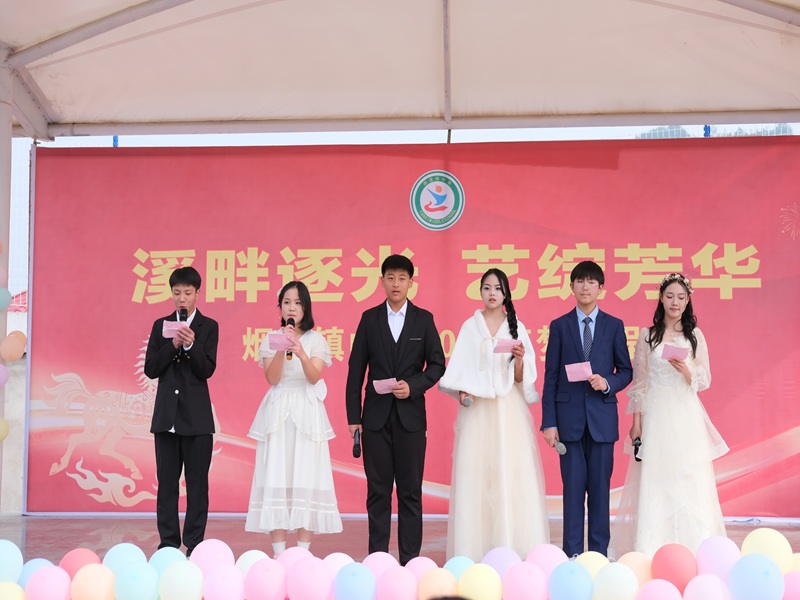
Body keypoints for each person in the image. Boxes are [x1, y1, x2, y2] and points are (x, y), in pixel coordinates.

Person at [609, 273, 727, 558]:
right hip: (656, 416)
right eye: (670, 296)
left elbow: (706, 378)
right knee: (657, 479)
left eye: (681, 297)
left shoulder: (695, 336)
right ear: (661, 298)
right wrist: (637, 424)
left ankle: (695, 547)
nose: (675, 302)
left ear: (688, 301)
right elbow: (640, 383)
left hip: (686, 417)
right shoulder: (647, 336)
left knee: (689, 478)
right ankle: (652, 548)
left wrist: (687, 372)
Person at [439, 268, 550, 561]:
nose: (492, 293)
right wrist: (463, 390)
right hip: (477, 412)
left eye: (498, 289)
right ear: (480, 291)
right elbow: (459, 371)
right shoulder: (469, 328)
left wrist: (520, 361)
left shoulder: (516, 328)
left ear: (506, 294)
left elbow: (520, 379)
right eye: (487, 288)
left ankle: (511, 548)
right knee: (476, 476)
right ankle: (475, 551)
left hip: (506, 411)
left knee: (509, 475)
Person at [346, 254, 446, 565]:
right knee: (377, 492)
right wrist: (353, 418)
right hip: (374, 419)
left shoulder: (423, 319)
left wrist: (413, 385)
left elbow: (438, 365)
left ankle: (410, 562)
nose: (396, 284)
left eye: (402, 278)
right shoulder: (369, 319)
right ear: (382, 281)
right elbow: (355, 371)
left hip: (411, 419)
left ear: (411, 283)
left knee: (410, 492)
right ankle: (377, 560)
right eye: (390, 278)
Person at [540, 260, 633, 557]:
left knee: (600, 493)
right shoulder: (559, 326)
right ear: (571, 286)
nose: (585, 287)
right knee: (572, 492)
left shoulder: (614, 326)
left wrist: (607, 383)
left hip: (602, 421)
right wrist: (549, 423)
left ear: (601, 288)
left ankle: (598, 556)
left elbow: (626, 371)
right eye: (580, 281)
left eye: (592, 282)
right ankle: (572, 555)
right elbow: (551, 378)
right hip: (568, 423)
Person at [245, 281, 343, 556]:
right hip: (278, 411)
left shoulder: (316, 340)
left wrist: (300, 352)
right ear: (280, 307)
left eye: (297, 303)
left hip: (307, 411)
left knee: (306, 476)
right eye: (287, 302)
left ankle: (302, 553)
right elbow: (272, 377)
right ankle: (279, 553)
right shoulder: (270, 338)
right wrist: (281, 348)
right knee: (276, 474)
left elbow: (313, 376)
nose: (292, 308)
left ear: (306, 307)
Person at [145, 266, 219, 557]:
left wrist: (189, 346)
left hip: (197, 421)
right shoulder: (160, 325)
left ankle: (195, 544)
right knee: (166, 486)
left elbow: (207, 369)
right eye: (177, 293)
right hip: (166, 420)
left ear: (198, 293)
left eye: (187, 293)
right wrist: (172, 345)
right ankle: (168, 544)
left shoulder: (208, 326)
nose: (182, 298)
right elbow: (151, 369)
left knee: (198, 486)